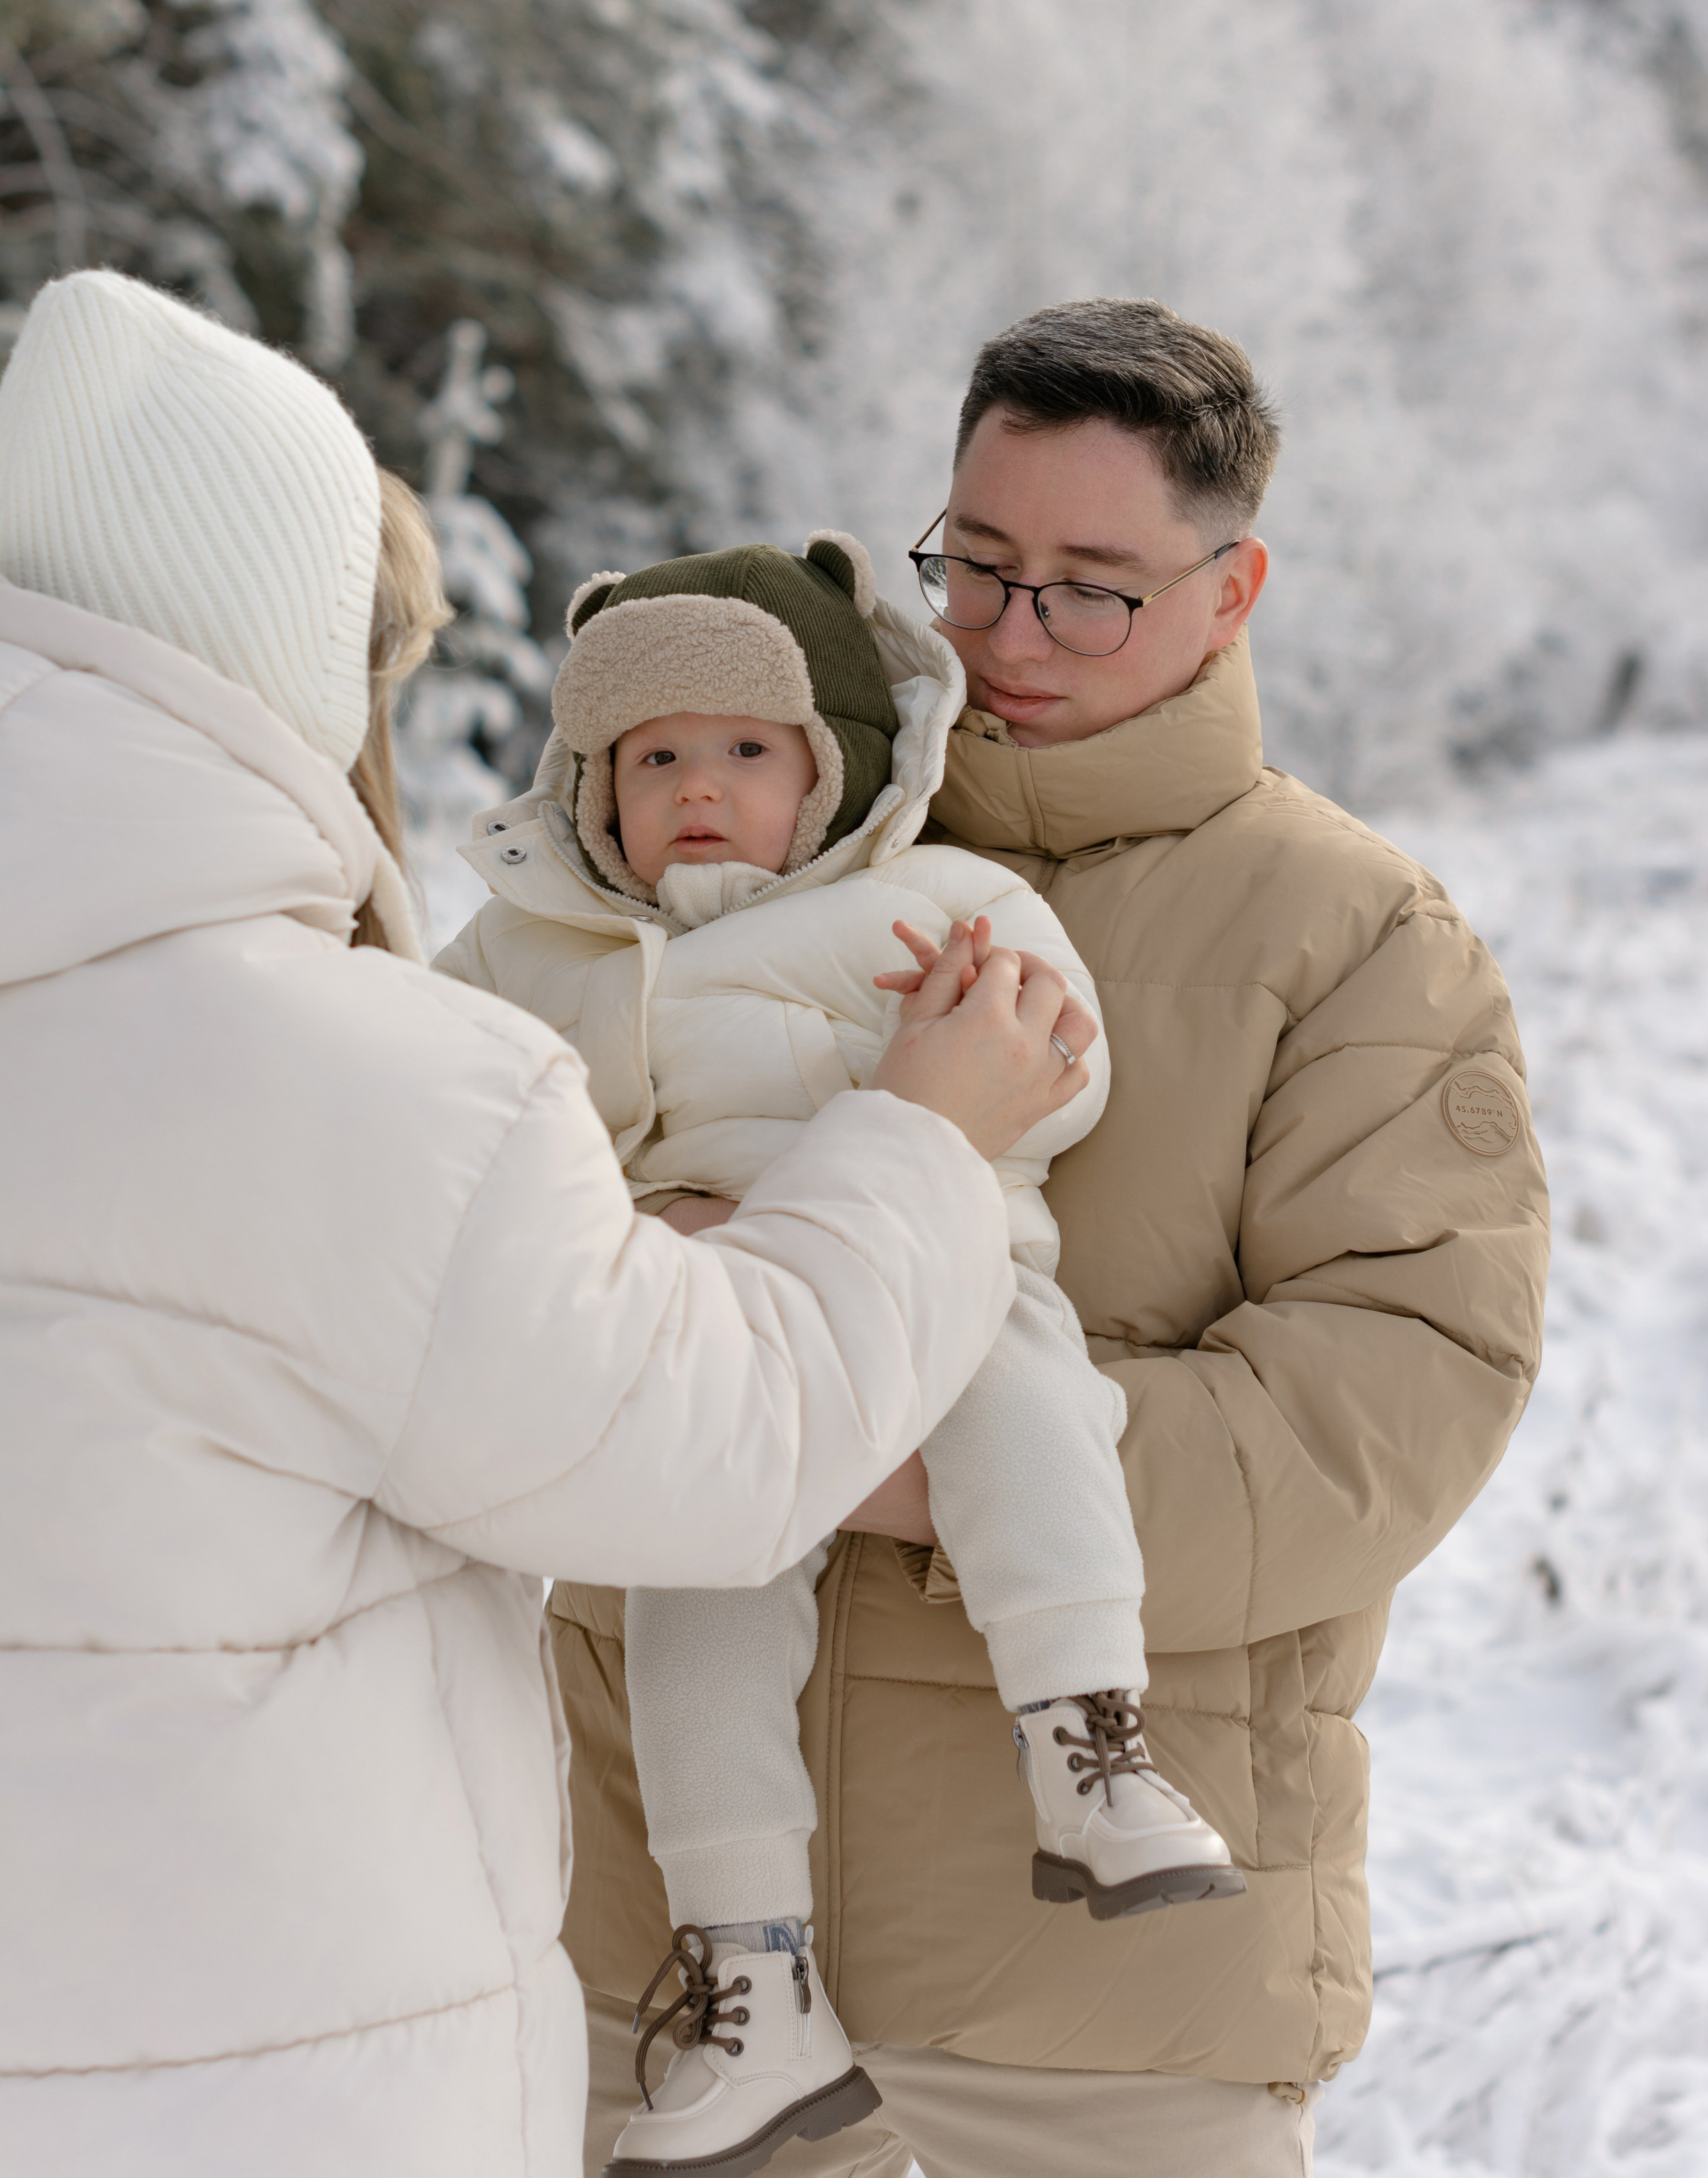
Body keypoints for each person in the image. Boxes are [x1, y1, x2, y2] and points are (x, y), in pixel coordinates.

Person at [0, 271, 1092, 2178]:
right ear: (283, 661)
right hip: (261, 2090)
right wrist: (921, 1138)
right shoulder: (366, 1084)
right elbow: (713, 1446)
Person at [554, 299, 1552, 2178]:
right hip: (668, 1966)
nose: (1007, 638)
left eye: (1089, 590)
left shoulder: (1354, 940)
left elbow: (1385, 1416)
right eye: (977, 566)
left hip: (1108, 2014)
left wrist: (876, 1444)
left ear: (1233, 585)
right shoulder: (691, 864)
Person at [435, 535, 1241, 2177]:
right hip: (705, 1337)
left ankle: (1088, 1741)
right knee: (696, 1608)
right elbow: (440, 1112)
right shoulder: (537, 951)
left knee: (1028, 1412)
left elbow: (1063, 1069)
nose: (700, 790)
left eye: (746, 749)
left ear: (836, 763)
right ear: (592, 789)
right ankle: (752, 1979)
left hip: (940, 1269)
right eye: (654, 759)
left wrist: (993, 1040)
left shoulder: (930, 898)